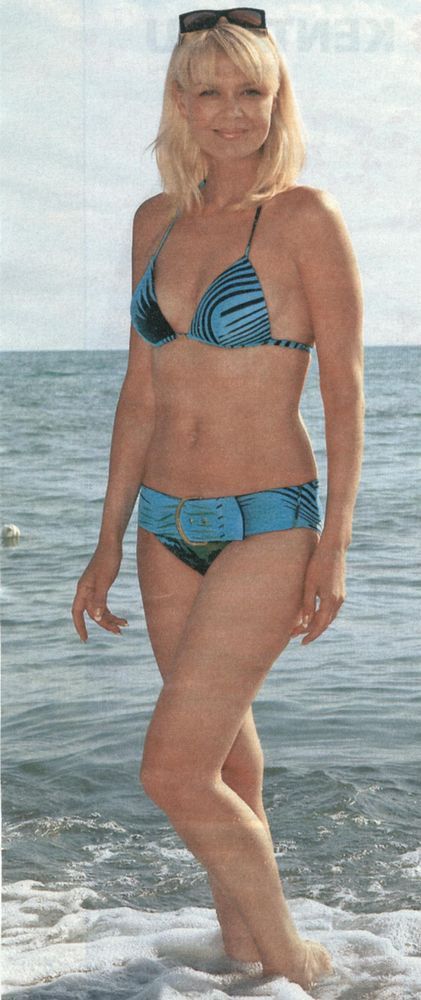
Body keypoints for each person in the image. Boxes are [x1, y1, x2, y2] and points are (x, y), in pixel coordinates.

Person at [72, 8, 364, 990]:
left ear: (276, 99)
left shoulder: (302, 218)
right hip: (164, 527)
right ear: (181, 103)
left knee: (172, 770)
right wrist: (107, 540)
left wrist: (334, 544)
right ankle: (243, 961)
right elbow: (141, 393)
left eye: (250, 90)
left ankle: (299, 968)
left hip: (267, 523)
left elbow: (344, 389)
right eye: (209, 91)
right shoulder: (153, 221)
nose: (231, 111)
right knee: (226, 768)